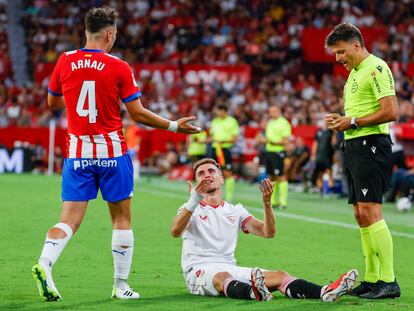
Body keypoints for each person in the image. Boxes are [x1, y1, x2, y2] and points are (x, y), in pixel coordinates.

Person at [32, 6, 200, 302]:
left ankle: (45, 262)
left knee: (68, 221)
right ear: (109, 34)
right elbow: (138, 114)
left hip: (77, 153)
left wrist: (76, 100)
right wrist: (174, 125)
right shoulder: (119, 66)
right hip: (111, 152)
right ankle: (120, 286)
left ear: (86, 31)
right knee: (121, 220)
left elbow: (52, 102)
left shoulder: (65, 60)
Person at [171, 158, 358, 302]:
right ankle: (253, 293)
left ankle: (325, 291)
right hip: (199, 271)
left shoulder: (235, 210)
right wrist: (193, 200)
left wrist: (267, 204)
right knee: (222, 277)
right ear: (196, 182)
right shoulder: (190, 208)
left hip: (229, 267)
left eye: (212, 171)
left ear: (221, 178)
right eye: (201, 173)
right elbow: (176, 231)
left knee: (280, 276)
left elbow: (268, 232)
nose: (207, 175)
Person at [325, 23, 400, 299]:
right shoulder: (354, 74)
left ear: (356, 45)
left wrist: (353, 121)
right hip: (355, 145)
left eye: (341, 51)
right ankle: (371, 279)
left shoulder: (377, 67)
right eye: (335, 53)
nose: (338, 58)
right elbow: (357, 116)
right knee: (360, 213)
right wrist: (343, 122)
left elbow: (391, 111)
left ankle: (389, 280)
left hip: (372, 146)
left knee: (371, 211)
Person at [257, 105, 291, 209]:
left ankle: (283, 202)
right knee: (272, 176)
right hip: (269, 152)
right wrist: (263, 140)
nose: (271, 114)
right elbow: (265, 137)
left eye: (273, 111)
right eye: (270, 112)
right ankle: (274, 201)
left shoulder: (284, 123)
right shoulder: (270, 122)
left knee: (281, 176)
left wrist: (270, 141)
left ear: (278, 111)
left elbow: (285, 141)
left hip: (278, 152)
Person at [209, 105, 239, 201]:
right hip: (215, 149)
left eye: (219, 111)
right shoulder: (215, 121)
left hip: (225, 150)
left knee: (227, 173)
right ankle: (214, 195)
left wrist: (223, 141)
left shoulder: (232, 121)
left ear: (224, 111)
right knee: (213, 173)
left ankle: (229, 197)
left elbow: (235, 139)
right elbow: (212, 137)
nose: (217, 113)